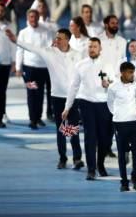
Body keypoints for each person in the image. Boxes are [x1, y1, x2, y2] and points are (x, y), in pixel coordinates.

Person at [6, 27, 84, 170]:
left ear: (67, 39)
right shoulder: (49, 53)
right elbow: (32, 48)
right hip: (57, 97)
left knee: (73, 128)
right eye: (56, 38)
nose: (56, 40)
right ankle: (62, 158)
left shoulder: (78, 55)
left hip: (73, 98)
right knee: (61, 129)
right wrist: (15, 40)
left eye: (59, 38)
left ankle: (77, 158)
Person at [63, 38, 113, 180]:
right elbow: (73, 87)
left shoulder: (107, 64)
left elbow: (114, 82)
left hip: (103, 104)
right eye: (90, 46)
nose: (92, 49)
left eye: (95, 47)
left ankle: (100, 164)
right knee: (90, 136)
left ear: (100, 48)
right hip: (86, 103)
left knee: (105, 139)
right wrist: (67, 107)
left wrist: (108, 83)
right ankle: (91, 169)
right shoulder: (80, 65)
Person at [107, 62, 136, 191]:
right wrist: (119, 115)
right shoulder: (113, 87)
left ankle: (135, 178)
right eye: (129, 72)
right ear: (122, 73)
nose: (132, 75)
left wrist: (134, 113)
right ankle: (124, 182)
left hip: (134, 123)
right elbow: (110, 104)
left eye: (133, 72)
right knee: (122, 155)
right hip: (120, 124)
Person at [16, 9, 53, 129]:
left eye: (35, 17)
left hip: (43, 68)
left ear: (38, 17)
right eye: (31, 17)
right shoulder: (23, 33)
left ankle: (38, 117)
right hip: (29, 68)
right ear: (28, 18)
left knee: (40, 93)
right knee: (32, 93)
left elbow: (50, 50)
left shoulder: (46, 32)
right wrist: (18, 67)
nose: (33, 19)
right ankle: (32, 119)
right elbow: (19, 50)